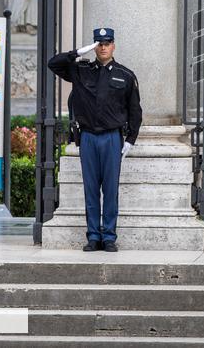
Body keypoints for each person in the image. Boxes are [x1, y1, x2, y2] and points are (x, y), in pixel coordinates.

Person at [48, 27, 142, 253]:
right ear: (94, 46)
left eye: (107, 43)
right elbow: (54, 63)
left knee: (110, 190)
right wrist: (79, 51)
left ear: (113, 45)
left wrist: (130, 139)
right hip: (88, 136)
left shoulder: (125, 75)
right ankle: (93, 236)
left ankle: (108, 236)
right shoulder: (81, 70)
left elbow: (135, 111)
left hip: (112, 138)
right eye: (99, 43)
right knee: (90, 190)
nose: (103, 47)